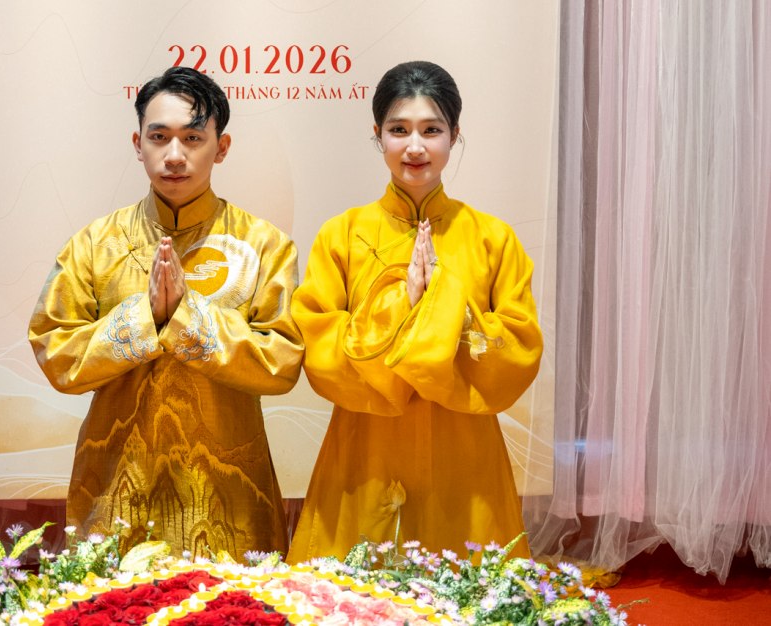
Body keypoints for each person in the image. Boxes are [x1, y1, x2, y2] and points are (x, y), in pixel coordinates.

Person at [28, 67, 303, 558]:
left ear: (221, 147)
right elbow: (55, 350)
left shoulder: (264, 246)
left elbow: (282, 361)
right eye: (160, 137)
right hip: (116, 479)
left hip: (229, 485)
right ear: (138, 143)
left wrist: (184, 316)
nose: (175, 155)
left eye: (193, 138)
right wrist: (143, 319)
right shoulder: (95, 244)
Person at [287, 61, 542, 563]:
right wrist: (401, 305)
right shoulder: (342, 235)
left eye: (432, 130)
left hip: (463, 446)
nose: (415, 146)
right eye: (399, 130)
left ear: (455, 135)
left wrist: (451, 315)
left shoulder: (492, 237)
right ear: (377, 135)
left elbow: (520, 346)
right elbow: (318, 347)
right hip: (367, 444)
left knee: (469, 599)